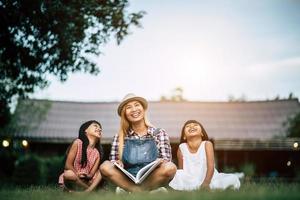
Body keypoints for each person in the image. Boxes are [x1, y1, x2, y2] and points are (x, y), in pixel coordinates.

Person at [100, 93, 177, 192]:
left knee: (170, 167)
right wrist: (117, 163)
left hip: (152, 177)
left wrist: (160, 161)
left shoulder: (159, 133)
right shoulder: (119, 137)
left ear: (143, 109)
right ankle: (143, 191)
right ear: (125, 113)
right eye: (129, 107)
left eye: (137, 105)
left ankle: (132, 191)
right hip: (127, 179)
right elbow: (113, 162)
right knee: (105, 166)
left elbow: (166, 160)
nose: (134, 109)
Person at [169, 120, 241, 191]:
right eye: (188, 126)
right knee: (178, 174)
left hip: (208, 177)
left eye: (195, 125)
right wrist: (182, 180)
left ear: (202, 133)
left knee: (233, 178)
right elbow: (182, 170)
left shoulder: (207, 144)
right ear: (184, 136)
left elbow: (211, 167)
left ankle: (199, 187)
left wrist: (206, 183)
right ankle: (191, 186)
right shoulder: (182, 147)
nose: (191, 126)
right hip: (190, 178)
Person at [58, 120, 103, 192]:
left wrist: (86, 176)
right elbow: (67, 165)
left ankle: (83, 191)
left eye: (100, 128)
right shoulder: (77, 143)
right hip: (74, 176)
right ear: (85, 130)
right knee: (68, 174)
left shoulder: (97, 153)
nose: (99, 129)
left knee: (102, 169)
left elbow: (91, 174)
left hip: (87, 179)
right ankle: (90, 191)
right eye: (95, 126)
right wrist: (77, 174)